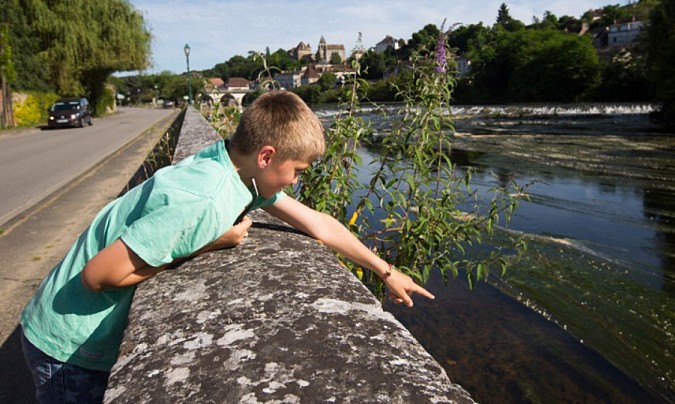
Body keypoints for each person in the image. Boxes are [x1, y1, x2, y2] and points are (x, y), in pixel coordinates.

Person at [20, 90, 434, 403]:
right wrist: (208, 244)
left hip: (66, 332)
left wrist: (387, 270)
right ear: (268, 156)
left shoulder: (234, 167)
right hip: (67, 346)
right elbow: (97, 276)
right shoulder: (208, 198)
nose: (296, 181)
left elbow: (319, 224)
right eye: (298, 170)